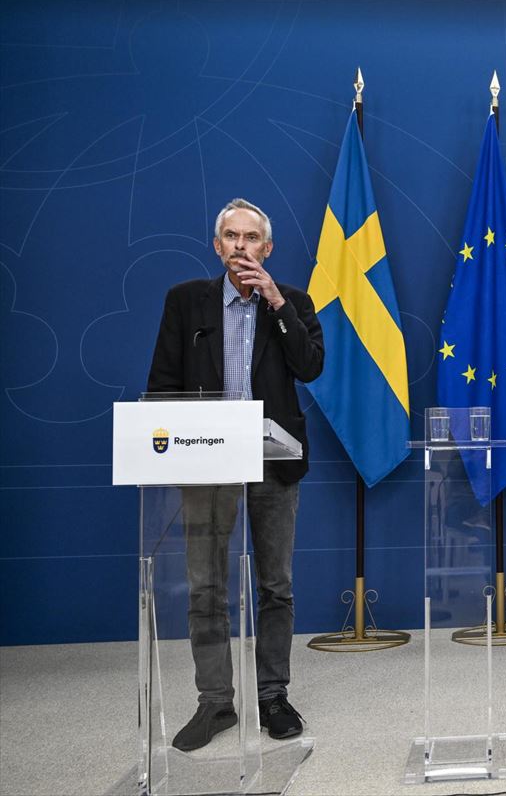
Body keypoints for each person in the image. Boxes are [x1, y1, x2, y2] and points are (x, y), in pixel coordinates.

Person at [147, 198, 324, 750]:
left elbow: (311, 366)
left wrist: (276, 303)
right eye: (232, 236)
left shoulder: (292, 301)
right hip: (206, 458)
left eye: (252, 238)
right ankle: (215, 702)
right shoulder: (185, 301)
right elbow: (162, 381)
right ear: (217, 244)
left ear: (267, 249)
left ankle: (272, 695)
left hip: (274, 458)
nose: (241, 246)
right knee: (207, 584)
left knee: (276, 585)